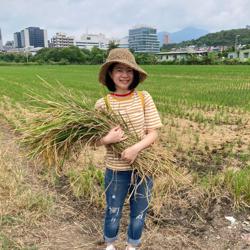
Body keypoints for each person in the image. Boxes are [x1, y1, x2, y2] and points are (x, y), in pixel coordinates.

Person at [95, 48, 162, 250]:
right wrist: (108, 138)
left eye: (129, 70)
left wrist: (134, 149)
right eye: (118, 70)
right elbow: (92, 141)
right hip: (116, 169)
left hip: (143, 168)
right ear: (110, 74)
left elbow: (153, 133)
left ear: (134, 75)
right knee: (113, 208)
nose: (124, 75)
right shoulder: (102, 104)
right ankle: (110, 244)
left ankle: (133, 245)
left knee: (139, 209)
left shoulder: (143, 98)